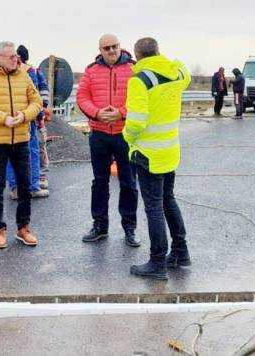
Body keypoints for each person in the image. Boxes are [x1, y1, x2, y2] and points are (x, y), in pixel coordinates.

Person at [123, 37, 192, 280]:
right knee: (168, 201)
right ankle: (181, 254)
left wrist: (127, 138)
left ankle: (157, 262)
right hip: (170, 152)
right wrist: (167, 60)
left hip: (149, 154)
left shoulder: (139, 81)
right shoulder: (176, 74)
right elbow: (186, 72)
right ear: (158, 52)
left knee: (154, 208)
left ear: (137, 56)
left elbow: (136, 122)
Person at [0, 41, 43, 249]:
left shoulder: (23, 74)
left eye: (16, 56)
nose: (16, 59)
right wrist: (3, 118)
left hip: (21, 139)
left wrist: (24, 115)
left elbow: (36, 102)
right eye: (11, 56)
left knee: (24, 185)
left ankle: (23, 228)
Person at [76, 33, 140, 247]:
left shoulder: (134, 69)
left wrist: (121, 112)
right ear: (100, 50)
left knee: (129, 182)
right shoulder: (91, 71)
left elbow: (141, 100)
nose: (111, 51)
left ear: (120, 47)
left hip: (125, 134)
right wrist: (96, 113)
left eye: (115, 46)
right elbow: (82, 97)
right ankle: (100, 226)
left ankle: (130, 228)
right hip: (99, 134)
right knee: (100, 181)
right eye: (107, 48)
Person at [6, 44, 51, 200]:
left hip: (10, 120)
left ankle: (16, 188)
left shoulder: (9, 71)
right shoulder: (31, 71)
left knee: (13, 154)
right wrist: (40, 112)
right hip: (28, 119)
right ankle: (32, 186)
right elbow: (40, 94)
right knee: (32, 152)